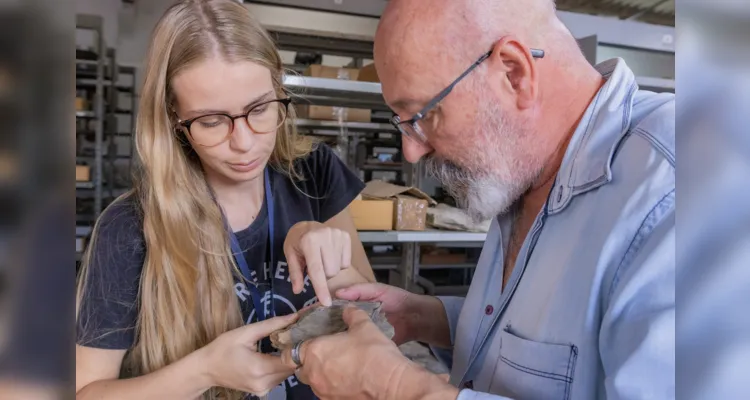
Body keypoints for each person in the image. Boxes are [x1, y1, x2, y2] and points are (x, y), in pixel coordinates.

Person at [282, 0, 675, 399]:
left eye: (423, 115)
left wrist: (396, 388)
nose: (411, 152)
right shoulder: (523, 170)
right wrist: (423, 316)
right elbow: (553, 341)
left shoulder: (680, 189)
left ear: (513, 73)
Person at [75, 1, 374, 399]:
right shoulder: (130, 226)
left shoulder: (313, 172)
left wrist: (321, 246)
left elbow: (372, 315)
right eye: (212, 121)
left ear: (279, 91)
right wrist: (203, 371)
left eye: (260, 109)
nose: (245, 143)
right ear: (173, 121)